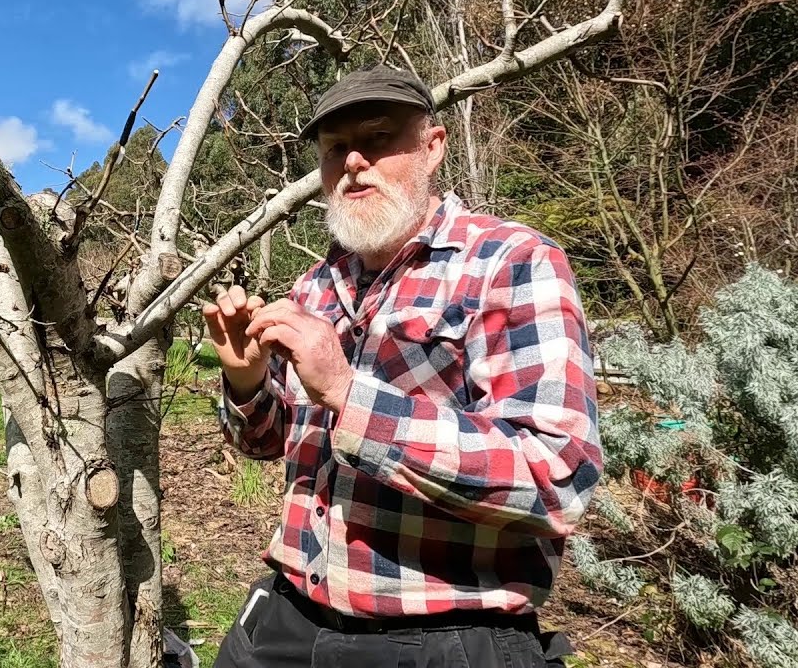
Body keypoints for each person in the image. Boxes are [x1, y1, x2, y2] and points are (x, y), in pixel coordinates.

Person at [202, 65, 601, 668]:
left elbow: (559, 478)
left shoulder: (510, 262)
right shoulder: (314, 287)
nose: (354, 161)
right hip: (286, 619)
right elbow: (270, 442)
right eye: (335, 150)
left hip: (442, 637)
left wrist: (345, 390)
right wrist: (246, 379)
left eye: (379, 139)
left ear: (433, 147)